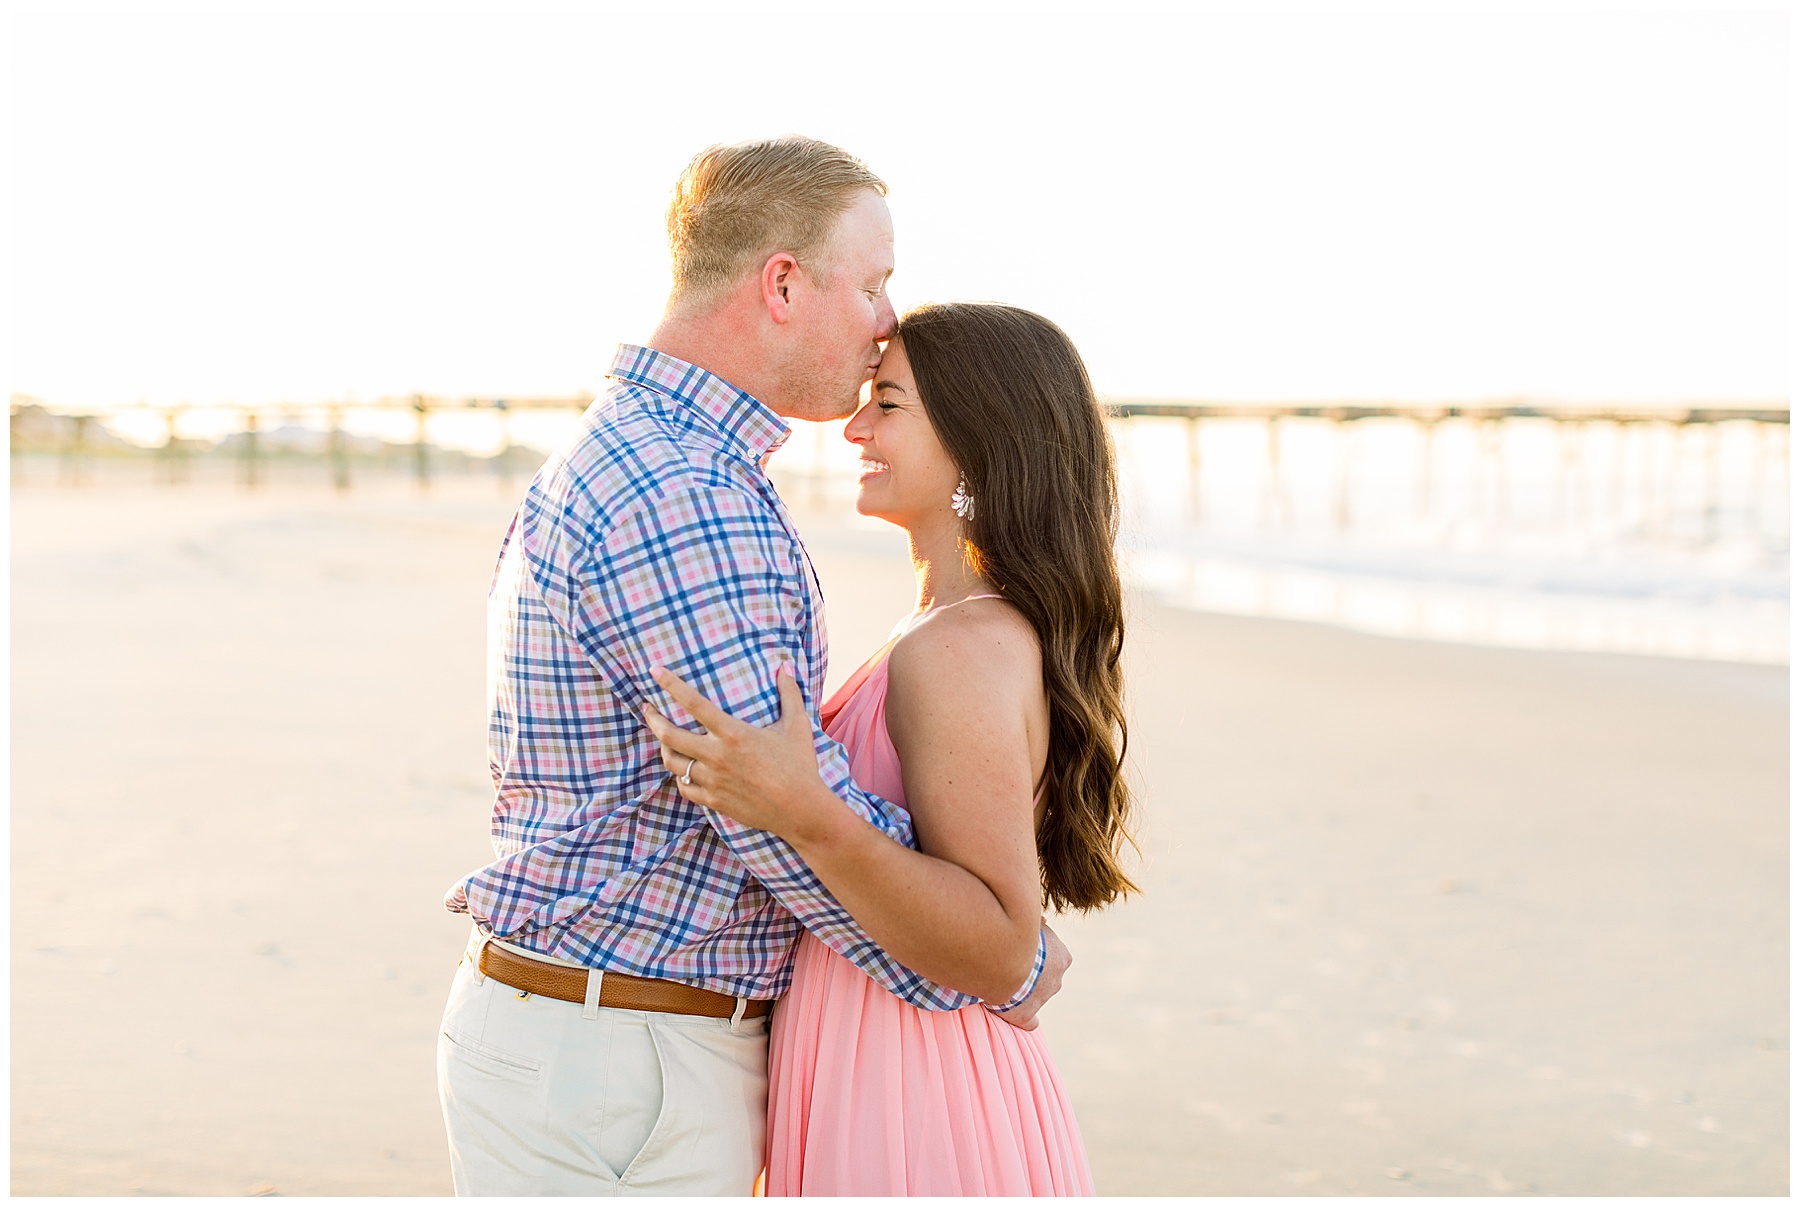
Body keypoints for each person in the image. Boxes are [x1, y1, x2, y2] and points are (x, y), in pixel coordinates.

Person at [436, 137, 1069, 1196]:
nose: (884, 323)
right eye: (872, 283)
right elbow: (776, 814)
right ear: (783, 282)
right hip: (620, 1061)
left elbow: (783, 790)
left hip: (612, 1048)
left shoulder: (667, 461)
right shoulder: (680, 491)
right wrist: (997, 960)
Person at [645, 301, 1138, 1195]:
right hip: (884, 1055)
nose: (853, 424)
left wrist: (807, 813)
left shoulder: (957, 645)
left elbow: (997, 943)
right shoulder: (945, 629)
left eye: (890, 403)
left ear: (976, 437)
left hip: (917, 1088)